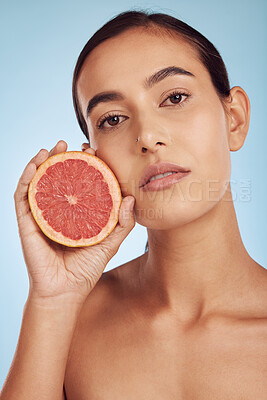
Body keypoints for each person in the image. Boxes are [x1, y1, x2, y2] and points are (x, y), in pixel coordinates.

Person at [1, 9, 267, 400]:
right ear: (94, 159)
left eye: (174, 97)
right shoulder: (65, 323)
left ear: (234, 119)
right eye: (112, 119)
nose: (147, 136)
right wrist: (51, 300)